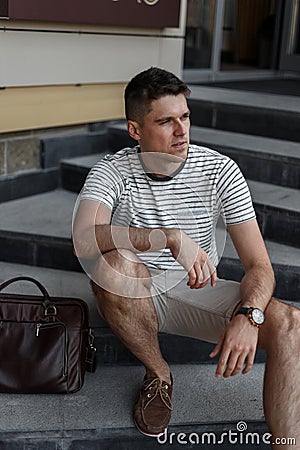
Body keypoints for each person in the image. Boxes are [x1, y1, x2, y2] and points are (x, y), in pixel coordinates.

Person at [72, 67, 300, 447]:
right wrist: (168, 237)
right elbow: (83, 238)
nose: (181, 131)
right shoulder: (112, 171)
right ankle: (159, 375)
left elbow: (260, 267)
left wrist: (250, 314)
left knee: (291, 322)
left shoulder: (219, 170)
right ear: (135, 130)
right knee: (111, 264)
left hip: (197, 292)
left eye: (185, 117)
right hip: (136, 290)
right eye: (165, 121)